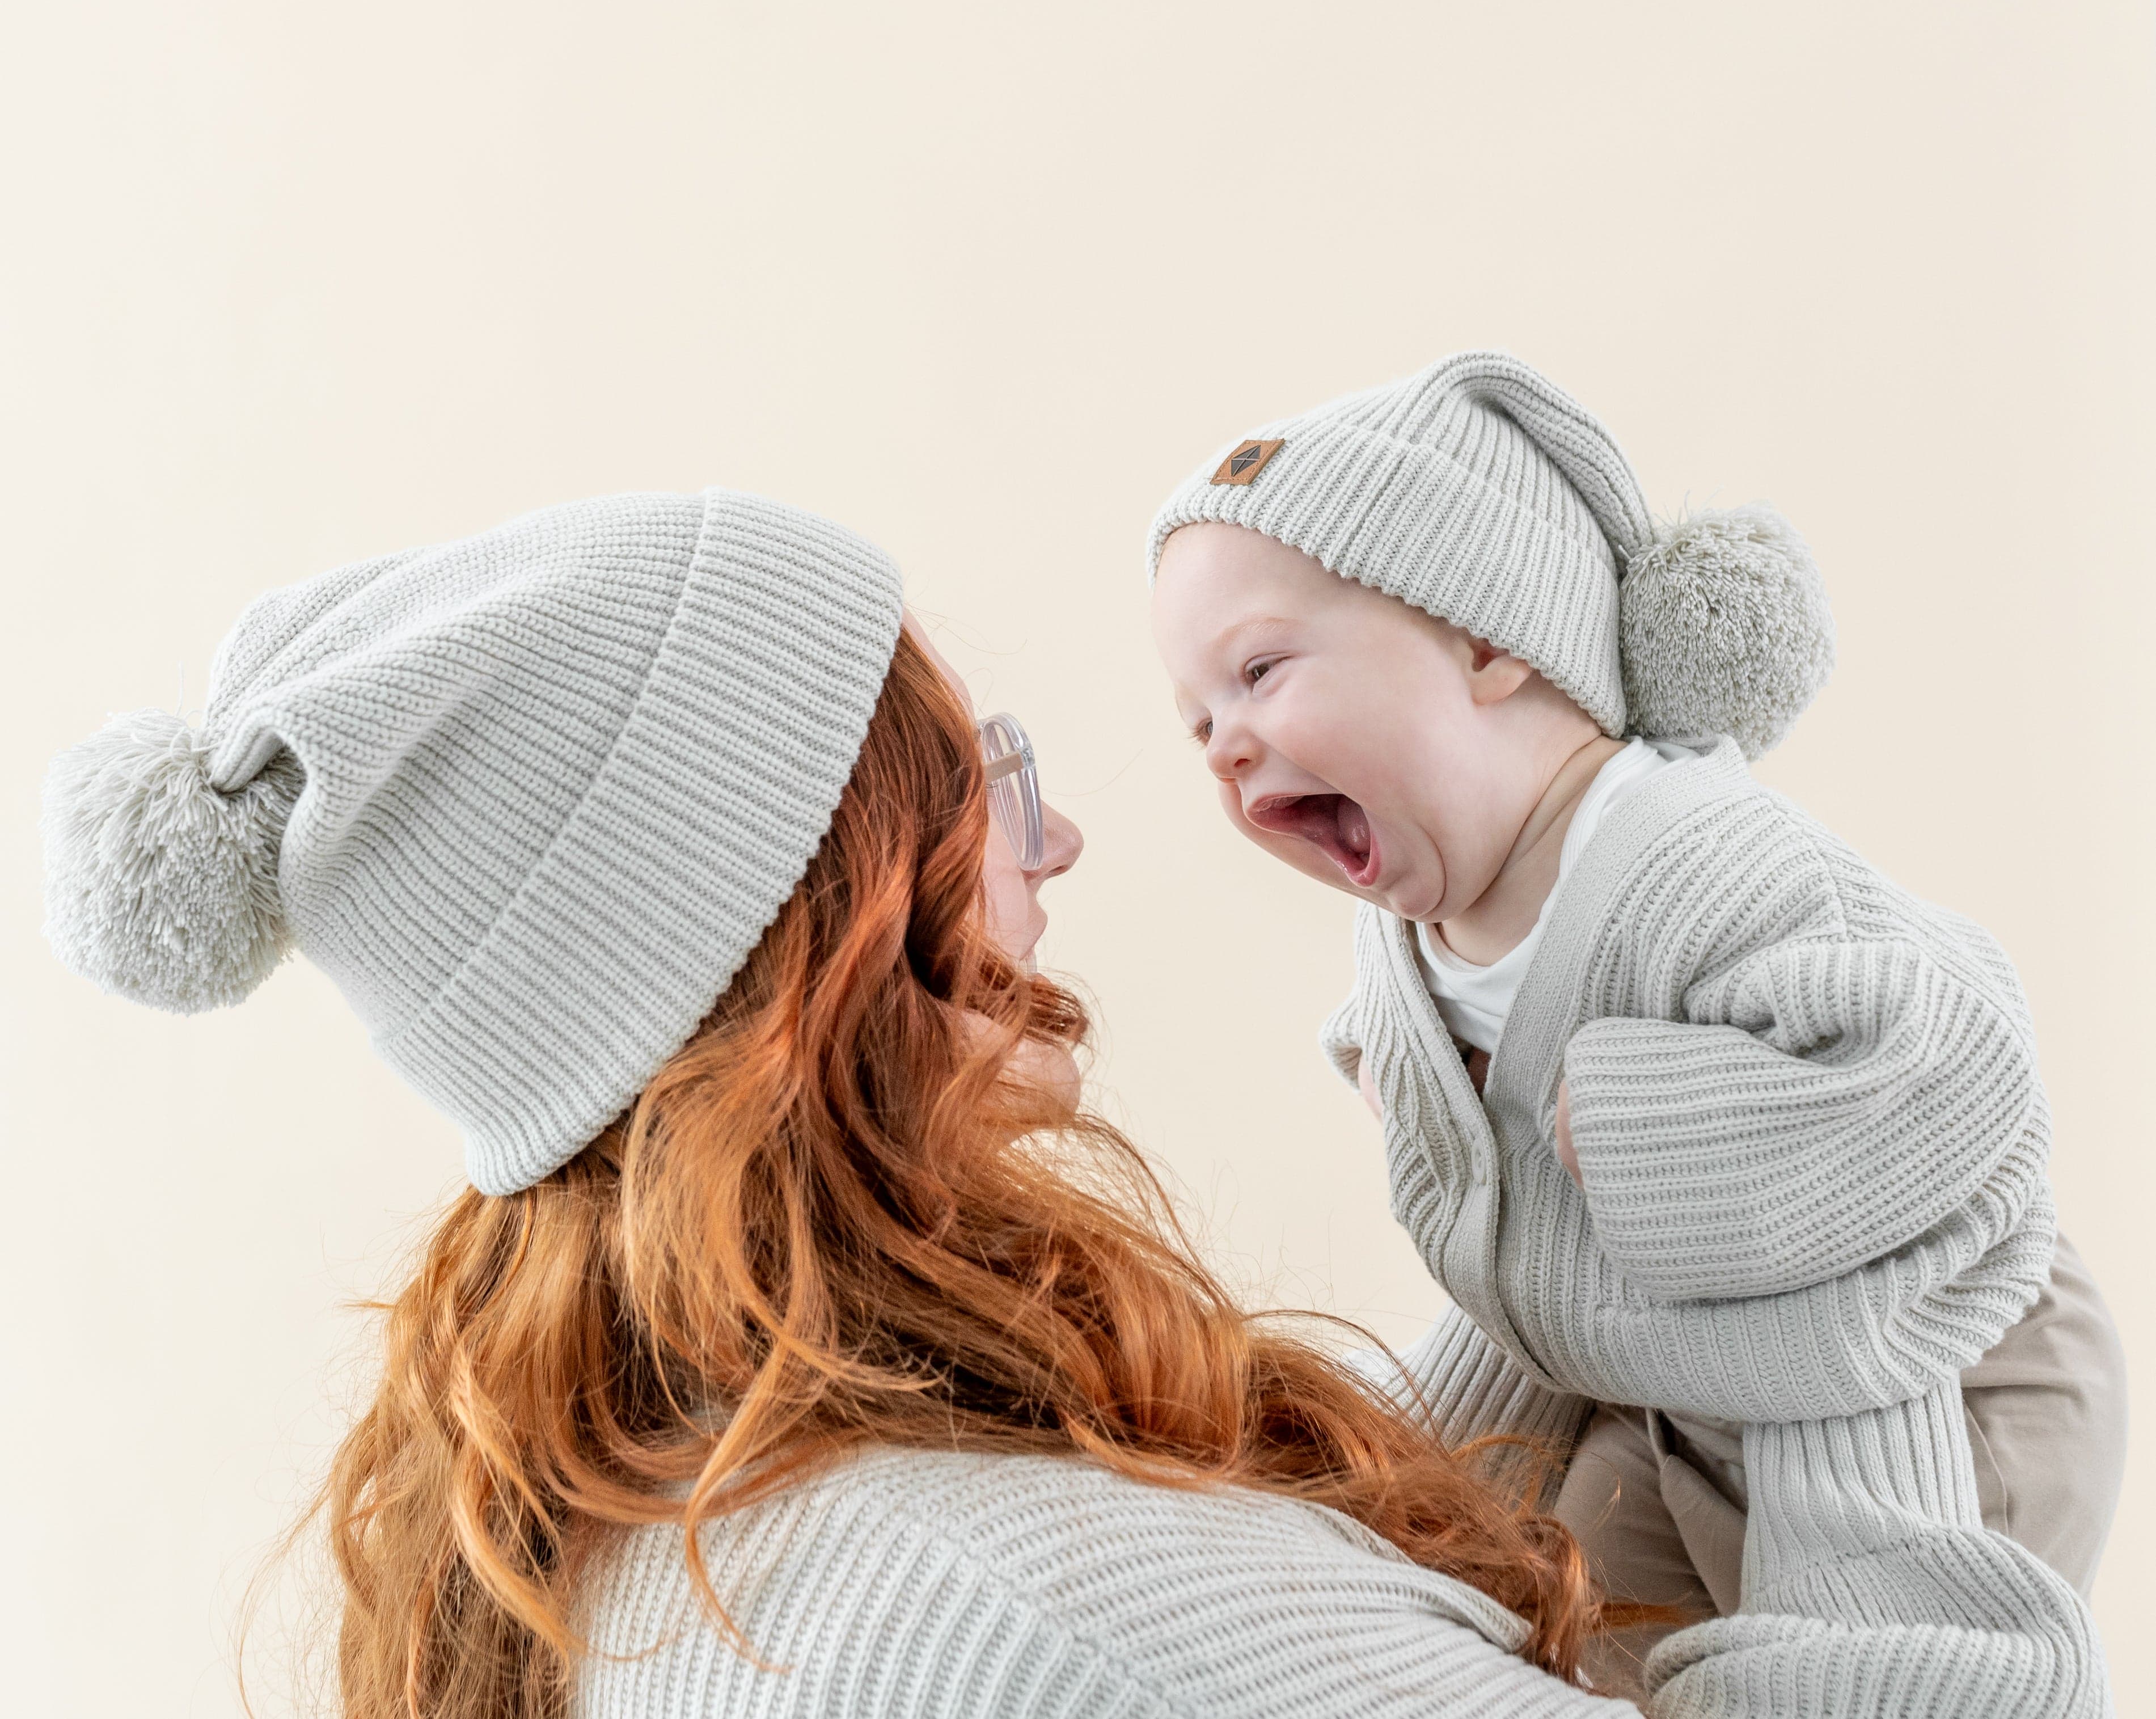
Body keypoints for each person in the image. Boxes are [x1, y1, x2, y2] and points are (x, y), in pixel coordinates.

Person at [41, 487, 2103, 1717]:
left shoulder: (685, 1507)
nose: (1069, 841)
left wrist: (1564, 1240)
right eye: (988, 790)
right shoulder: (1044, 1622)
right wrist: (1862, 1335)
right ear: (822, 930)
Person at [1147, 349, 2126, 1701]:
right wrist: (1381, 1502)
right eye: (1197, 715)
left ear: (1486, 641)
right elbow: (1524, 1265)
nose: (1222, 743)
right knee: (1533, 1628)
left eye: (1258, 670)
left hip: (1926, 1364)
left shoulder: (1702, 862)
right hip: (1663, 1376)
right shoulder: (1418, 931)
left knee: (1872, 1674)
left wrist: (1629, 1117)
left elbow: (1956, 1069)